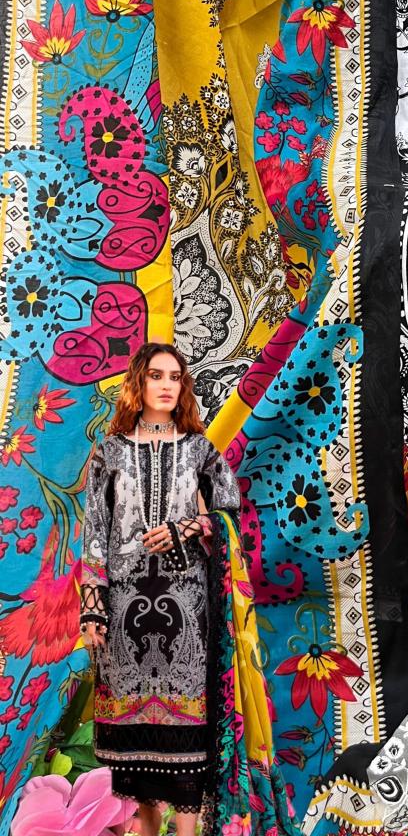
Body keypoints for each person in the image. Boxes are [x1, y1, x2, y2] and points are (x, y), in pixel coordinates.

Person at [79, 341, 242, 835]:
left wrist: (186, 528)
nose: (167, 385)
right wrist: (93, 609)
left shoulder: (199, 450)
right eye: (156, 375)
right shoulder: (109, 452)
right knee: (134, 749)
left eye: (175, 377)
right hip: (123, 610)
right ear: (138, 382)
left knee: (185, 737)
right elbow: (94, 533)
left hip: (186, 608)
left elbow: (232, 513)